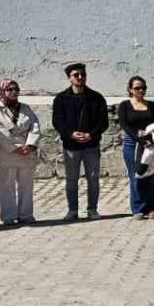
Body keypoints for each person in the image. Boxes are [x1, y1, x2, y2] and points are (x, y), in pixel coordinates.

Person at [51, 62, 108, 221]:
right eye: (76, 75)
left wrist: (91, 134)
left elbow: (103, 122)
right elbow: (57, 121)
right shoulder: (61, 99)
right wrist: (70, 134)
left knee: (93, 179)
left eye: (83, 74)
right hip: (71, 146)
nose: (80, 77)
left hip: (91, 145)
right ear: (69, 78)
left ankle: (92, 209)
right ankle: (72, 210)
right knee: (71, 180)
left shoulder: (96, 98)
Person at [0, 78, 41, 225]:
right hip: (7, 151)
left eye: (16, 89)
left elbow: (35, 126)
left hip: (26, 152)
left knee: (26, 185)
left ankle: (26, 214)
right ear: (2, 91)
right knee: (7, 186)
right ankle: (9, 216)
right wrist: (15, 147)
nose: (13, 92)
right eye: (9, 89)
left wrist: (30, 144)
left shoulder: (25, 108)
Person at [117, 76, 154, 218]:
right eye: (137, 88)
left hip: (150, 144)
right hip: (132, 144)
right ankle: (138, 207)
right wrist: (138, 137)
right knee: (136, 175)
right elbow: (124, 124)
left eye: (143, 88)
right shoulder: (125, 105)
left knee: (150, 175)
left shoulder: (153, 106)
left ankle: (151, 207)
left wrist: (151, 138)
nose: (141, 90)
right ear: (130, 90)